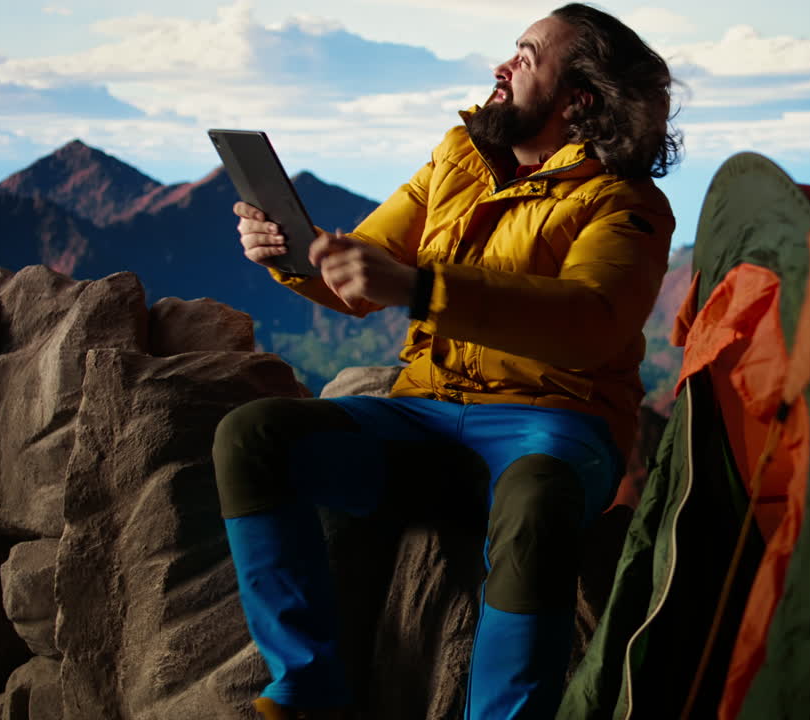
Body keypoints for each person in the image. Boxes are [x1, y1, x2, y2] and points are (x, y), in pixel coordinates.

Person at [212, 4, 680, 719]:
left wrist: (422, 288)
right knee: (253, 437)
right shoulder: (458, 158)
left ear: (579, 99)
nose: (501, 67)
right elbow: (363, 273)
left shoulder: (626, 203)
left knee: (536, 499)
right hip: (424, 415)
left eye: (526, 57)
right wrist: (291, 257)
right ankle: (306, 689)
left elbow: (591, 321)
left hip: (552, 425)